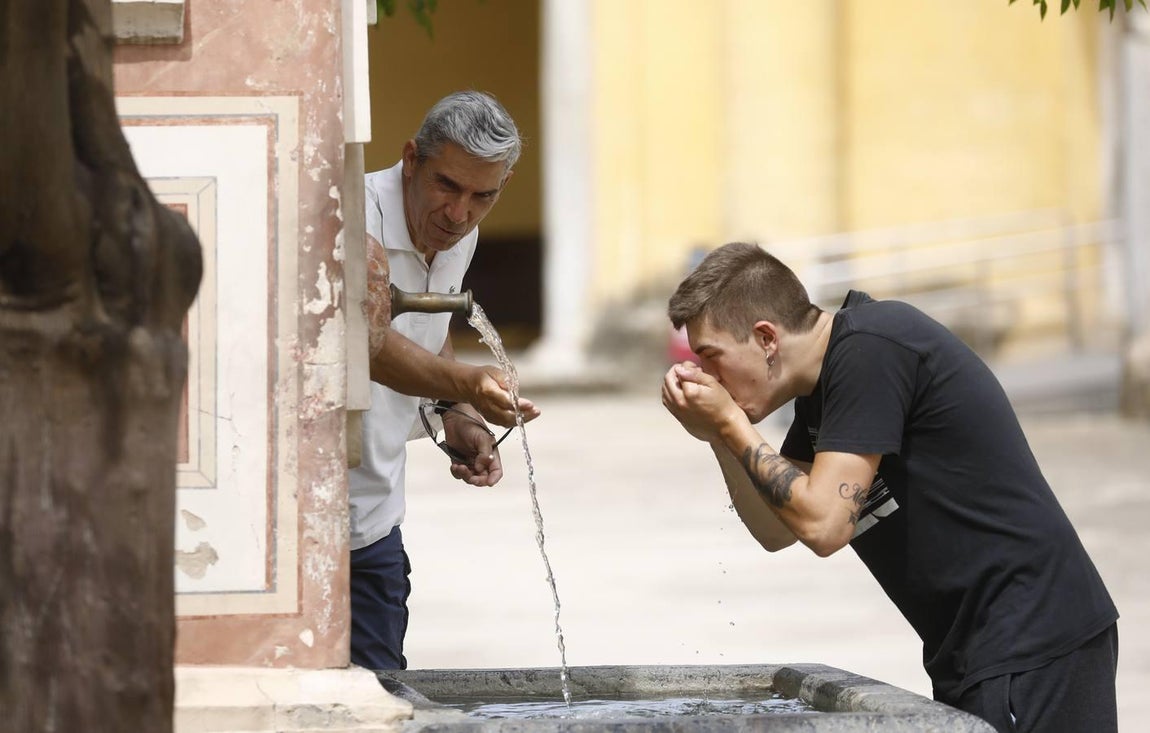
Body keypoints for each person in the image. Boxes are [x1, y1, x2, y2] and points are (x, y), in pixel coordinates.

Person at [661, 242, 1118, 733]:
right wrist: (717, 436)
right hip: (979, 653)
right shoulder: (824, 390)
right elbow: (776, 528)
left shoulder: (869, 350)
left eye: (712, 357)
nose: (708, 375)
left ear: (767, 338)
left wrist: (730, 422)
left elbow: (824, 524)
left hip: (1034, 644)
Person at [351, 91, 540, 671]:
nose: (459, 214)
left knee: (382, 696)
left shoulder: (461, 235)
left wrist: (457, 413)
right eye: (446, 187)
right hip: (299, 518)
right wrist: (465, 381)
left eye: (482, 196)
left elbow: (428, 328)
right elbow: (366, 343)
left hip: (375, 518)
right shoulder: (353, 214)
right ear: (411, 160)